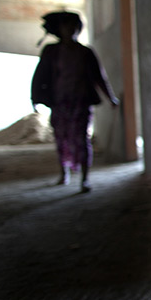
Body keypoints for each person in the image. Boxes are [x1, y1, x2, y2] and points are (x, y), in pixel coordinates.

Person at [30, 11, 119, 193]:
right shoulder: (51, 52)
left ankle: (85, 179)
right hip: (60, 103)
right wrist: (35, 98)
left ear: (78, 29)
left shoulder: (85, 52)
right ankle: (64, 173)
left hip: (81, 103)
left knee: (81, 139)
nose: (70, 29)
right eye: (66, 26)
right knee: (61, 138)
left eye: (73, 26)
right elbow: (40, 76)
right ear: (59, 29)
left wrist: (110, 98)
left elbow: (99, 77)